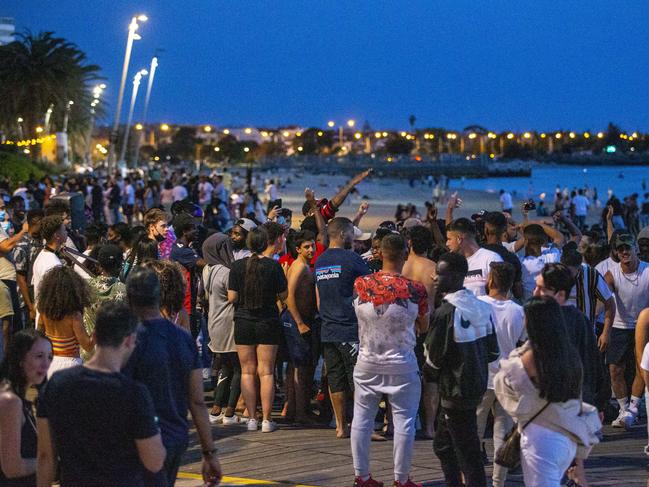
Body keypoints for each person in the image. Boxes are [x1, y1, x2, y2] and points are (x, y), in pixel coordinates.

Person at [36, 302, 167, 487]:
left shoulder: (57, 384)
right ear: (129, 340)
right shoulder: (134, 394)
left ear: (95, 335)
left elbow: (45, 457)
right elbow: (154, 461)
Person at [124, 268, 221, 486]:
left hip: (135, 439)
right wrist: (209, 452)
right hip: (174, 437)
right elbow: (197, 401)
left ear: (129, 299)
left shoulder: (126, 341)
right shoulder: (183, 339)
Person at [494, 297, 601, 487]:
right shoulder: (569, 354)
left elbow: (505, 386)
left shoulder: (530, 358)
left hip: (540, 437)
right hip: (567, 434)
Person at [351, 234, 429, 487]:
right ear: (405, 254)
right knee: (404, 422)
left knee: (362, 419)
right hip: (402, 363)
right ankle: (402, 479)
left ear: (380, 253)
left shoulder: (361, 284)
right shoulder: (415, 290)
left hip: (367, 360)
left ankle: (362, 476)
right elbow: (424, 324)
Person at [425, 252, 499, 487]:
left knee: (467, 453)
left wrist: (432, 376)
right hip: (476, 384)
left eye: (440, 273)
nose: (434, 277)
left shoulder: (445, 313)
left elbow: (433, 360)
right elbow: (493, 352)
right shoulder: (482, 307)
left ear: (456, 276)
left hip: (454, 391)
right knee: (444, 445)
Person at [315, 217, 371, 438]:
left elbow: (319, 298)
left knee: (336, 379)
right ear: (342, 235)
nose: (354, 240)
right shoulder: (352, 259)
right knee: (358, 378)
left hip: (328, 328)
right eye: (351, 235)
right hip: (349, 328)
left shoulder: (320, 260)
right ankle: (360, 425)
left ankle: (340, 426)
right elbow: (368, 290)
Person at [228, 226, 288, 432]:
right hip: (268, 321)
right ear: (265, 244)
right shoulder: (273, 266)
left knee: (247, 371)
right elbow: (283, 295)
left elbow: (232, 297)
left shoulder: (237, 267)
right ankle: (267, 419)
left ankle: (252, 418)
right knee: (267, 372)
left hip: (243, 321)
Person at [533, 263, 608, 414]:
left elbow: (592, 364)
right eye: (536, 287)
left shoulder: (573, 321)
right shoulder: (543, 318)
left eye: (542, 289)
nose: (535, 293)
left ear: (560, 294)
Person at [476, 262, 526, 487]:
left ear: (490, 281)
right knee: (502, 434)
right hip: (507, 379)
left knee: (474, 433)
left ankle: (473, 479)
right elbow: (523, 343)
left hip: (481, 377)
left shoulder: (478, 305)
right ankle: (499, 482)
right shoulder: (519, 310)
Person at [603, 233, 649, 429]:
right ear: (616, 252)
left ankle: (634, 408)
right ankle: (623, 409)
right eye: (620, 249)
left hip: (644, 325)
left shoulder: (647, 271)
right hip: (620, 326)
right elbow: (604, 302)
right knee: (614, 369)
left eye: (627, 247)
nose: (624, 252)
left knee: (642, 368)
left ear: (635, 249)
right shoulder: (611, 274)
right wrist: (604, 330)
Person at [0, 329, 52, 486]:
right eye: (39, 356)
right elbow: (12, 468)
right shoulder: (10, 402)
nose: (46, 364)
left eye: (49, 357)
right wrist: (50, 461)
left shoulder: (14, 396)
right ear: (20, 359)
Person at [401, 225, 438, 439]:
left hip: (405, 326)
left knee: (406, 376)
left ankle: (403, 422)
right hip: (429, 325)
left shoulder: (402, 267)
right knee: (430, 379)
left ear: (410, 243)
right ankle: (430, 426)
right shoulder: (433, 267)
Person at [201, 233, 241, 424]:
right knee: (239, 368)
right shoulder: (227, 272)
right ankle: (230, 412)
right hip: (229, 322)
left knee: (225, 365)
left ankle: (216, 409)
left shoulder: (207, 270)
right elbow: (233, 297)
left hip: (213, 322)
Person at [284, 230, 319, 424]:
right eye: (306, 247)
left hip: (303, 319)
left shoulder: (305, 266)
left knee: (295, 367)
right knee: (301, 368)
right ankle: (300, 413)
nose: (311, 249)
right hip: (299, 321)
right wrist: (299, 323)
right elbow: (289, 295)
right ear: (298, 249)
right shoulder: (299, 267)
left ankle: (293, 409)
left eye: (312, 245)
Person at [36, 266, 93, 377]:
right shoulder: (74, 315)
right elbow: (87, 345)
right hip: (70, 364)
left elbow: (39, 336)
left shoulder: (44, 311)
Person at [82, 244, 127, 360]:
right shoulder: (124, 290)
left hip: (88, 353)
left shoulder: (85, 287)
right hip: (113, 355)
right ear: (120, 266)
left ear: (99, 266)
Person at [445, 218, 503, 297]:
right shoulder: (450, 262)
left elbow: (498, 296)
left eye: (449, 239)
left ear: (459, 239)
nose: (447, 243)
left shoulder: (491, 259)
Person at [30, 215, 66, 323]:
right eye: (64, 230)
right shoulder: (53, 264)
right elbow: (55, 298)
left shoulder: (42, 255)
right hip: (50, 323)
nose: (67, 232)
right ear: (57, 236)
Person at [12, 209, 43, 328]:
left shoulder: (40, 240)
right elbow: (20, 278)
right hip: (25, 301)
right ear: (36, 223)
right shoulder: (22, 245)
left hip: (36, 295)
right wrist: (30, 307)